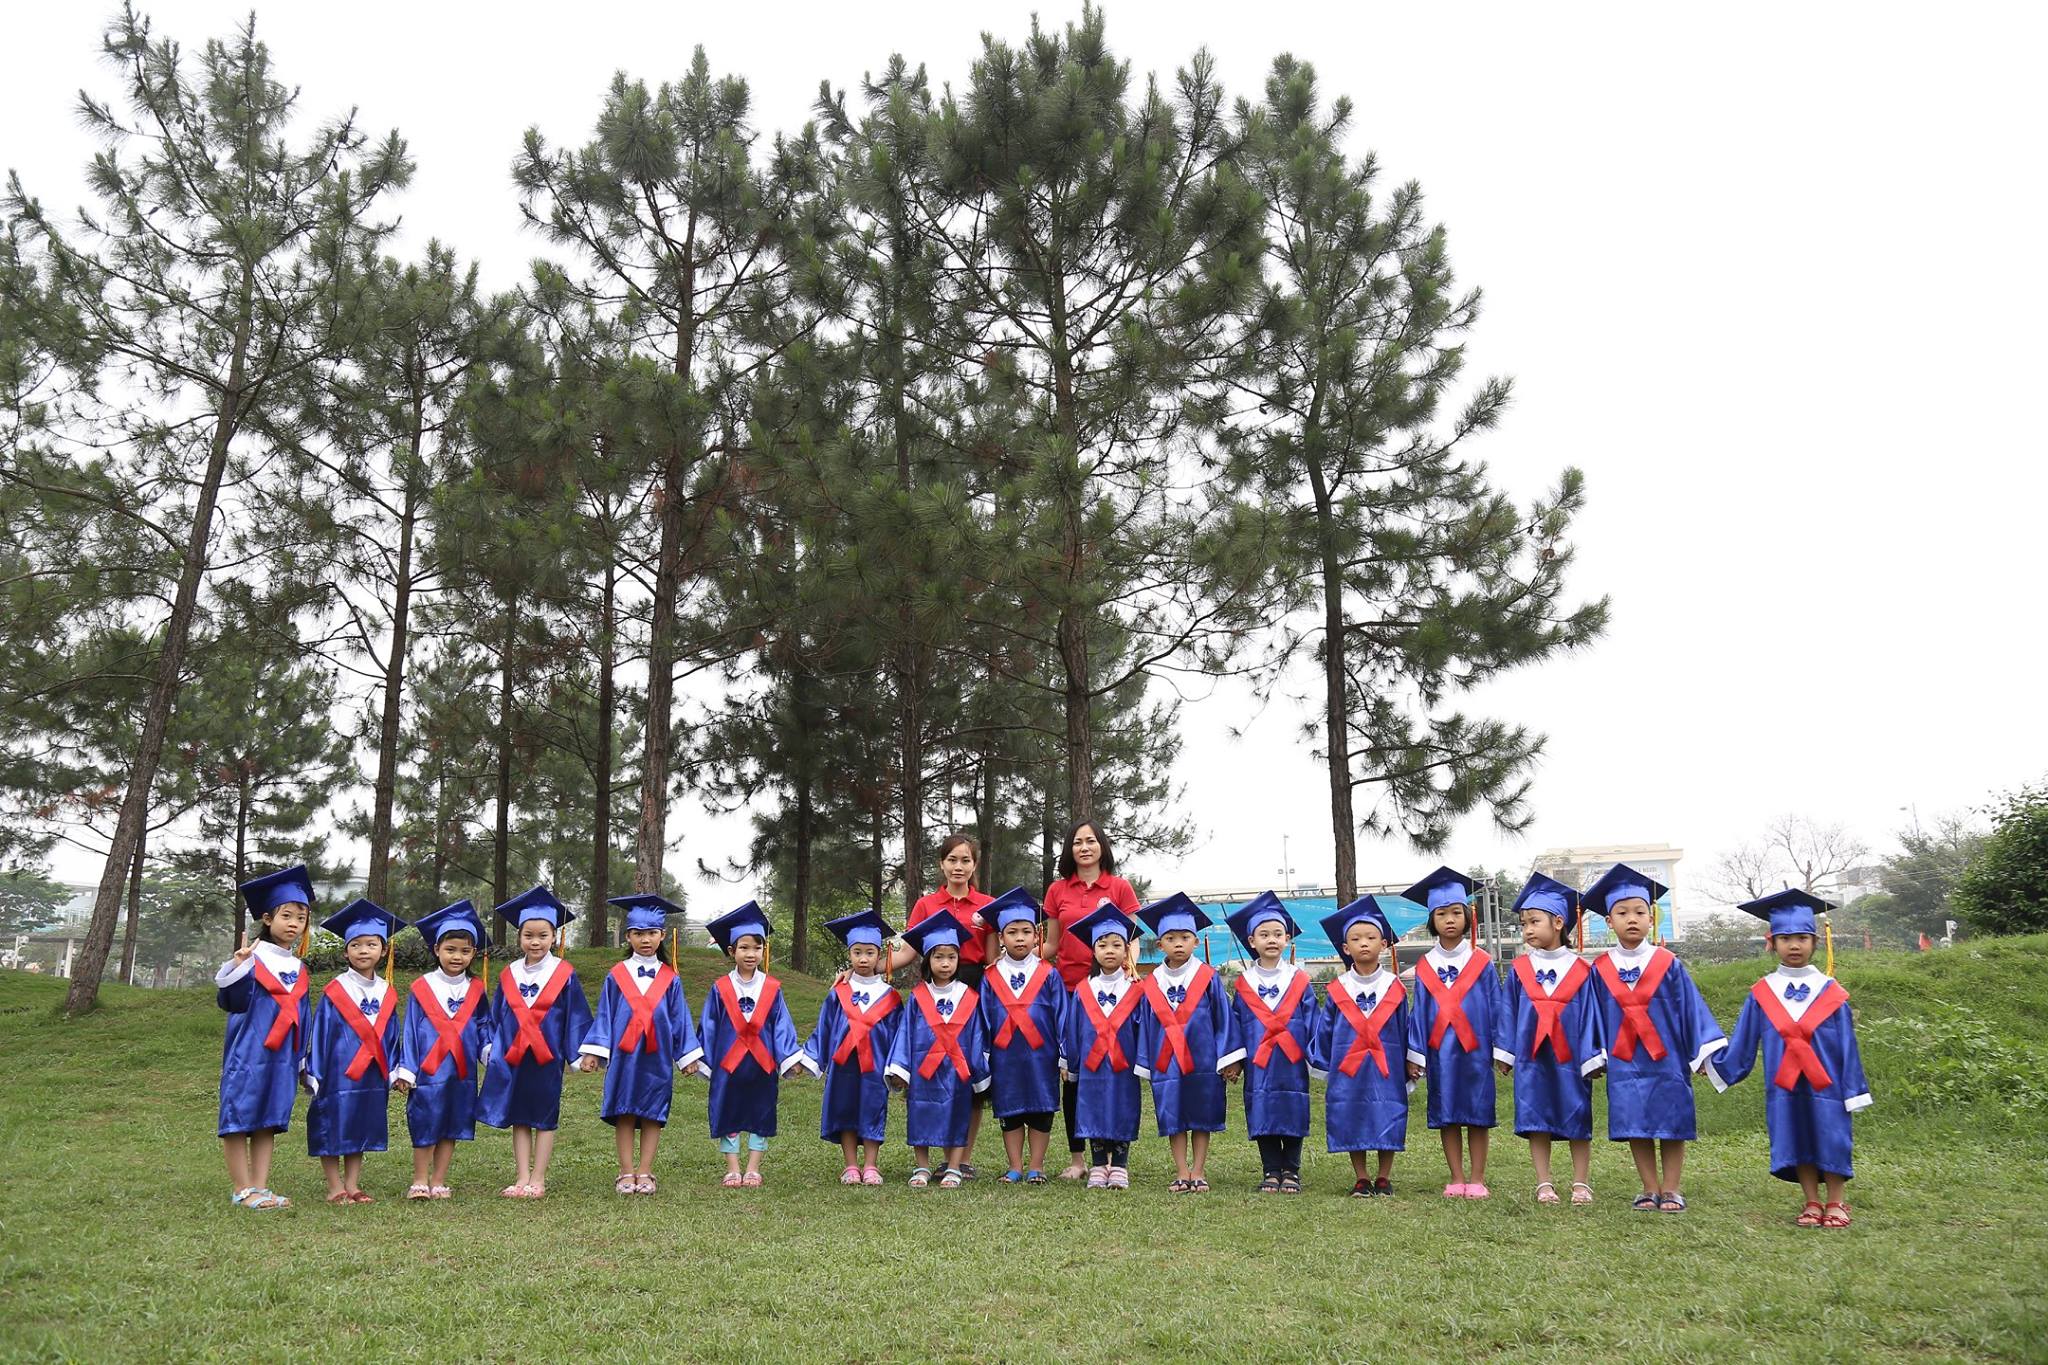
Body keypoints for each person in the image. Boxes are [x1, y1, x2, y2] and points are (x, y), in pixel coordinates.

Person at [1710, 888, 1872, 1228]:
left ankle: (1836, 1201)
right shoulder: (1762, 993)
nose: (1794, 945)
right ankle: (1811, 1200)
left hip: (1828, 1085)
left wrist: (1854, 1089)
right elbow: (1743, 1040)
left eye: (1801, 938)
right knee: (1796, 1136)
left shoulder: (1831, 992)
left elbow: (1848, 1045)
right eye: (1785, 938)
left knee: (1831, 1136)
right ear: (1771, 943)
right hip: (1784, 1086)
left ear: (1815, 942)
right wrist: (1714, 1063)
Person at [1583, 862, 1727, 1213]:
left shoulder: (1668, 963)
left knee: (1672, 1122)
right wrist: (1594, 1054)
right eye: (1622, 913)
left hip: (1668, 1058)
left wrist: (1702, 1053)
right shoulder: (1600, 969)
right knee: (1636, 1123)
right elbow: (1591, 1015)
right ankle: (1649, 1187)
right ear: (1609, 921)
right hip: (1624, 1060)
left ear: (1652, 918)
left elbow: (1690, 1009)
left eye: (1639, 912)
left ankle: (1672, 1188)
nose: (1631, 919)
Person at [578, 894, 704, 1197]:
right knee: (624, 1110)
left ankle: (645, 1170)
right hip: (624, 1055)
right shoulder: (616, 975)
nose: (645, 940)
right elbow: (605, 1014)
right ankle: (626, 1171)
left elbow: (680, 1018)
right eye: (638, 933)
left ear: (662, 935)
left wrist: (687, 1055)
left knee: (652, 1112)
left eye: (651, 933)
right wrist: (594, 1051)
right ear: (628, 936)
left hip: (656, 1056)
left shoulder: (670, 979)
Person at [477, 885, 594, 1199]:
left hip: (547, 1057)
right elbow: (497, 1014)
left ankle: (538, 1179)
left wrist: (580, 1053)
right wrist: (491, 1047)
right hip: (514, 1057)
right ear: (519, 937)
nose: (535, 941)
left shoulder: (563, 973)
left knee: (544, 1116)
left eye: (543, 935)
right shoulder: (510, 973)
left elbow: (576, 1015)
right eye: (528, 935)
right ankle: (521, 1176)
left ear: (554, 937)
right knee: (519, 1117)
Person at [889, 834, 996, 1174]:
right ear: (942, 864)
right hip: (933, 990)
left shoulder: (987, 905)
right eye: (952, 860)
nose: (958, 867)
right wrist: (867, 967)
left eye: (965, 860)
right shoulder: (926, 905)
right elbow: (907, 953)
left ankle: (961, 1160)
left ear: (974, 865)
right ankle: (936, 1152)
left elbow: (992, 957)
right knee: (934, 1068)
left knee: (966, 1072)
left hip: (973, 987)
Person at [1403, 866, 1509, 1200]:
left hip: (1476, 1050)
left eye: (1455, 913)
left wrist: (1502, 1049)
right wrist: (1415, 1054)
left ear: (1467, 917)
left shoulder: (1482, 962)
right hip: (1440, 1052)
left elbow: (1496, 1005)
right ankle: (1456, 1177)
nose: (1449, 920)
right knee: (1446, 1114)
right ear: (1431, 920)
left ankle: (1477, 1178)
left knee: (1477, 1114)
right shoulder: (1425, 966)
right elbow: (1419, 1012)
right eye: (1441, 914)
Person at [215, 865, 316, 1211]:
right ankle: (242, 1189)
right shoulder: (251, 958)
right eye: (286, 916)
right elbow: (232, 1002)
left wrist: (302, 1058)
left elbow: (303, 1016)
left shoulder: (299, 968)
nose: (294, 924)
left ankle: (260, 1186)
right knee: (238, 1117)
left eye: (301, 918)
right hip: (249, 1051)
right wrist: (238, 968)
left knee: (268, 1121)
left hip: (283, 1056)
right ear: (267, 918)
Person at [1042, 820, 1140, 1178]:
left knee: (1113, 1069)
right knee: (1074, 1074)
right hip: (1072, 991)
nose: (1084, 847)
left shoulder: (1119, 887)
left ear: (1102, 846)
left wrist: (1130, 968)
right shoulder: (1057, 890)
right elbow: (1051, 944)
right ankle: (1078, 1159)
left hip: (1113, 992)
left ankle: (1113, 1157)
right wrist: (1015, 961)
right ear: (1069, 849)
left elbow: (1132, 937)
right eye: (1077, 842)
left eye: (1091, 841)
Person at [1500, 873, 1603, 1206]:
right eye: (1523, 924)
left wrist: (1592, 1055)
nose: (1527, 929)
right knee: (1535, 1117)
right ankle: (1543, 1183)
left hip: (1571, 1056)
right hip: (1532, 1056)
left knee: (1577, 1113)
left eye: (1534, 921)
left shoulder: (1583, 970)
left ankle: (1581, 1183)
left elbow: (1592, 1014)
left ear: (1558, 922)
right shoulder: (1519, 969)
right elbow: (1508, 1011)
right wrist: (1505, 1052)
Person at [303, 897, 405, 1205]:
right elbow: (321, 1031)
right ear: (345, 951)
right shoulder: (336, 990)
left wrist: (395, 1069)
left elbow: (391, 1034)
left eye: (371, 944)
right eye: (356, 945)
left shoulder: (386, 991)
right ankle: (334, 1186)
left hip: (372, 1071)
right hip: (337, 1070)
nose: (363, 951)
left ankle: (353, 1183)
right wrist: (315, 1071)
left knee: (360, 1121)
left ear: (383, 950)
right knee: (332, 1121)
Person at [697, 902, 806, 1188]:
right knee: (728, 1111)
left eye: (757, 948)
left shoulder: (772, 987)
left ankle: (753, 1168)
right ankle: (733, 1169)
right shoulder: (720, 988)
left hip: (762, 1064)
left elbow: (781, 1025)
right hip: (728, 1065)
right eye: (744, 948)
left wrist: (789, 1057)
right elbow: (709, 1025)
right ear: (731, 951)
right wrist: (702, 1059)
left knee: (761, 1112)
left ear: (763, 951)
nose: (751, 953)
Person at [1311, 895, 1412, 1197]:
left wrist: (1411, 1061)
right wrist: (1322, 1061)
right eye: (1356, 939)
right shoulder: (1338, 989)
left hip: (1387, 1065)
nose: (1364, 943)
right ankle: (1361, 1176)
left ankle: (1383, 1176)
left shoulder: (1394, 986)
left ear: (1384, 944)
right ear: (1346, 948)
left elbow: (1406, 1027)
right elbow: (1326, 1028)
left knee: (1387, 1111)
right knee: (1351, 1113)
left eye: (1370, 937)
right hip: (1348, 1067)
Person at [392, 899, 492, 1200]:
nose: (457, 956)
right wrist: (407, 1068)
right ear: (436, 949)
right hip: (428, 1069)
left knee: (453, 1121)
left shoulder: (476, 989)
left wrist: (489, 1050)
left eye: (465, 951)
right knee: (425, 1120)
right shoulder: (422, 986)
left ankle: (438, 1180)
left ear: (474, 953)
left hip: (462, 1070)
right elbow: (411, 1029)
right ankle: (419, 1179)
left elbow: (483, 1024)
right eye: (450, 950)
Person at [797, 909, 902, 1185]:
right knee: (844, 1109)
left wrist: (898, 1067)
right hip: (843, 1065)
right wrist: (809, 1059)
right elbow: (825, 1027)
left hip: (875, 1066)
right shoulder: (838, 992)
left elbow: (898, 1035)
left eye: (869, 953)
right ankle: (851, 1166)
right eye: (857, 952)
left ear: (879, 955)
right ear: (849, 954)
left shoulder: (891, 996)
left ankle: (871, 1165)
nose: (863, 959)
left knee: (873, 1108)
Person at [1134, 892, 1231, 1193]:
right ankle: (1181, 1170)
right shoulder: (1152, 983)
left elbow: (1223, 1019)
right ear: (1159, 944)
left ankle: (1198, 1170)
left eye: (1185, 937)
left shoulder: (1208, 977)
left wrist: (1228, 1058)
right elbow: (1145, 1025)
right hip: (1167, 1062)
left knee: (1202, 1115)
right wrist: (1145, 1061)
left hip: (1204, 1059)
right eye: (1171, 938)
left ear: (1196, 941)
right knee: (1173, 1115)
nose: (1178, 943)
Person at [1223, 891, 1318, 1195]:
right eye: (1264, 935)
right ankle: (1271, 1169)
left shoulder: (1299, 980)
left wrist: (1315, 1055)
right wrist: (1234, 1060)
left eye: (1278, 934)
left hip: (1292, 1060)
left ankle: (1291, 1170)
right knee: (1262, 1109)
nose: (1272, 940)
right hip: (1259, 1061)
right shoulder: (1244, 983)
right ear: (1252, 941)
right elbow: (1234, 1024)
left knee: (1292, 1107)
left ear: (1287, 939)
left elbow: (1313, 1019)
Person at [886, 912, 991, 1188]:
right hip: (924, 1069)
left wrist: (978, 1070)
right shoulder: (918, 997)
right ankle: (922, 1166)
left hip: (957, 1069)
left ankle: (954, 1167)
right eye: (938, 957)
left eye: (951, 957)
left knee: (958, 1114)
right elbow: (906, 1033)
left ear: (958, 960)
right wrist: (901, 1069)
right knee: (920, 1112)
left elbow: (977, 1034)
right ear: (927, 961)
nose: (945, 963)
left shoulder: (969, 996)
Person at [976, 887, 1066, 1185]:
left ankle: (1036, 1166)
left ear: (1037, 935)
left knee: (1041, 1109)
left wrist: (1064, 1054)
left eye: (1026, 932)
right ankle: (1014, 1166)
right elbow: (983, 1018)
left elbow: (1061, 1015)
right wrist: (984, 1055)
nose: (1019, 938)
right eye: (1012, 932)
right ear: (1001, 937)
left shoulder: (1049, 973)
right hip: (1005, 1055)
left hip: (1042, 1054)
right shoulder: (990, 976)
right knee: (1010, 1110)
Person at [1056, 903, 1145, 1189]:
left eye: (1117, 945)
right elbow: (1072, 1028)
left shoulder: (1136, 989)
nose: (1109, 950)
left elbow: (1144, 1028)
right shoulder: (1084, 989)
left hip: (1123, 1063)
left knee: (1123, 1107)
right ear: (1093, 950)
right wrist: (1070, 1063)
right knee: (1092, 1108)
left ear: (1126, 950)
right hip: (1092, 1065)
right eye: (1102, 945)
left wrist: (1143, 1061)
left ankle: (1119, 1165)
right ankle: (1097, 1165)